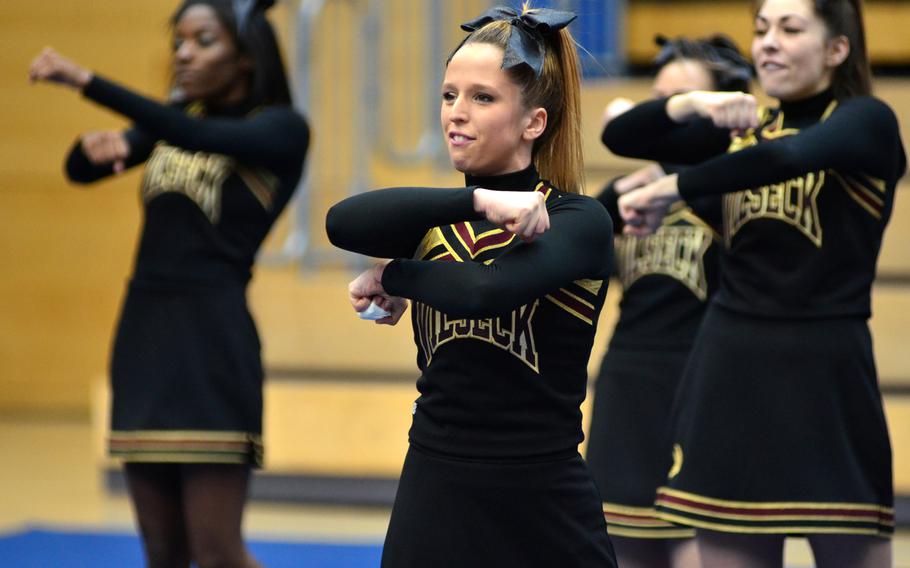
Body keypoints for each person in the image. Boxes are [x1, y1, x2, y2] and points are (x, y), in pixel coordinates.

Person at [602, 0, 905, 566]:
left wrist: (675, 187)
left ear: (838, 48)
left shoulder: (867, 122)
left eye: (791, 30)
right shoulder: (740, 135)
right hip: (730, 372)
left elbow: (788, 155)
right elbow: (622, 134)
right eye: (761, 29)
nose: (768, 43)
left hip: (828, 372)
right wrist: (696, 102)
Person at [326, 5, 616, 567]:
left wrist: (395, 275)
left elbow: (488, 291)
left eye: (482, 98)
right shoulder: (437, 218)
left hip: (540, 497)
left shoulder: (578, 219)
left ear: (533, 122)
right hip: (434, 487)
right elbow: (341, 221)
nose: (457, 113)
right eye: (449, 95)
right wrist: (476, 199)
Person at [28, 0, 309, 566]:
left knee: (217, 549)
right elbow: (80, 171)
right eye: (177, 41)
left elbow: (180, 129)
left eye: (202, 41)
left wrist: (86, 80)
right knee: (162, 550)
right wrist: (93, 148)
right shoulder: (174, 121)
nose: (182, 53)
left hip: (211, 343)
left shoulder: (281, 129)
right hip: (143, 338)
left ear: (246, 57)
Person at [585, 34, 751, 568]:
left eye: (680, 103)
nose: (663, 118)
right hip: (628, 382)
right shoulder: (623, 193)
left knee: (696, 549)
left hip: (702, 383)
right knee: (622, 546)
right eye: (657, 101)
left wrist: (676, 181)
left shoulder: (736, 189)